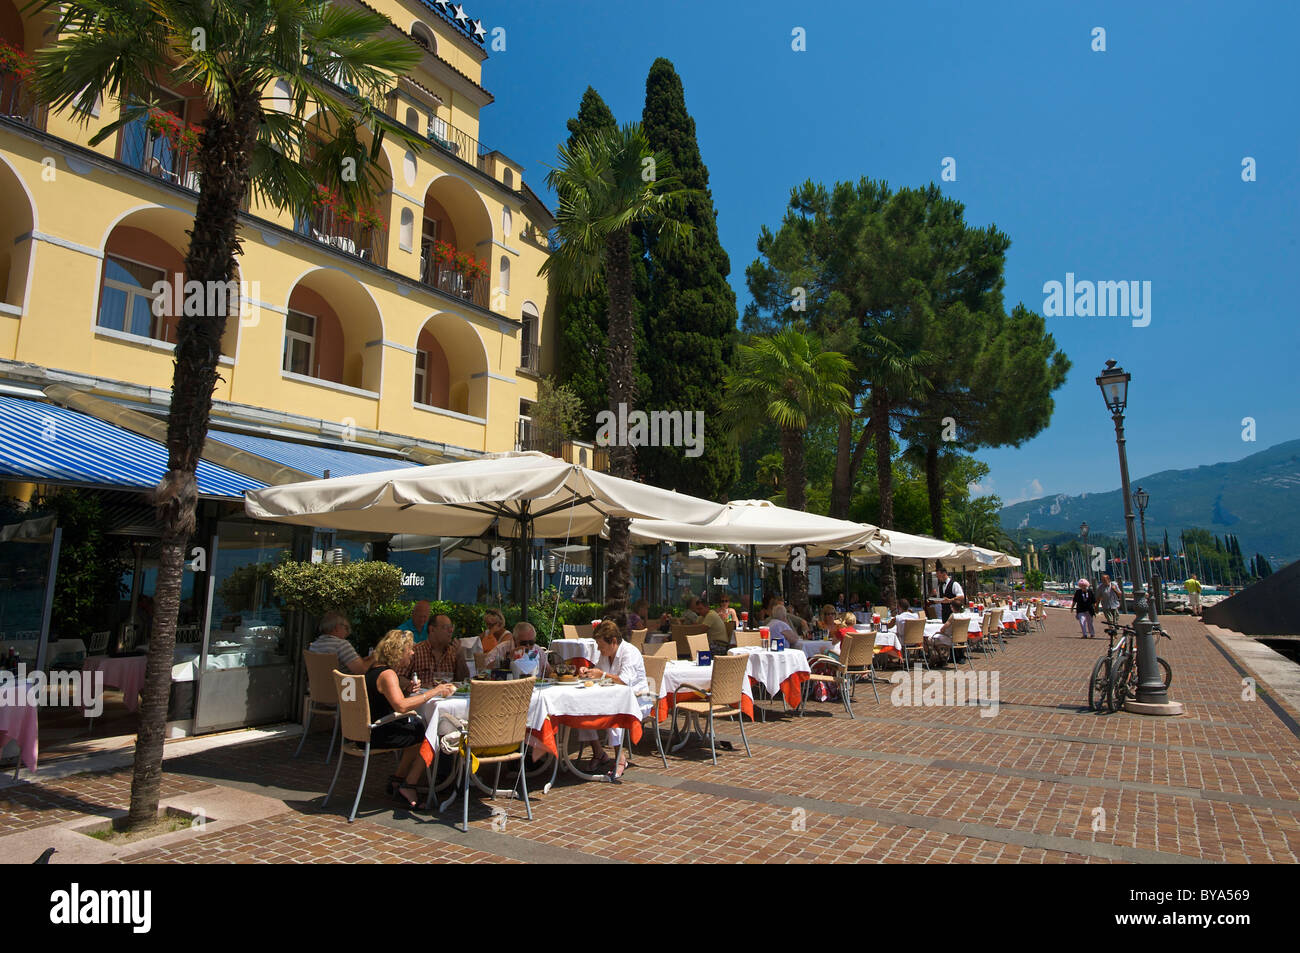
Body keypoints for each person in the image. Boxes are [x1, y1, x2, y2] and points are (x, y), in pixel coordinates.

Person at [364, 629, 456, 808]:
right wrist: (434, 692)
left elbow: (391, 700)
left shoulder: (374, 670)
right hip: (378, 733)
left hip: (365, 732)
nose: (412, 652)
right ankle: (409, 784)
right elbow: (401, 706)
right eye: (409, 649)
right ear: (399, 651)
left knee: (417, 729)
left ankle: (398, 779)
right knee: (429, 733)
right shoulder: (388, 675)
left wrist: (407, 691)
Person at [576, 621, 648, 781]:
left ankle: (620, 757)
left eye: (601, 645)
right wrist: (588, 671)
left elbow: (624, 680)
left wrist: (600, 674)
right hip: (613, 696)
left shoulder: (630, 652)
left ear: (613, 641)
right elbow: (600, 671)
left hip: (637, 698)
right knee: (581, 707)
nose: (599, 649)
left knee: (611, 710)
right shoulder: (606, 653)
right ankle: (598, 752)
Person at [400, 613, 468, 685]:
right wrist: (413, 685)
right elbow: (399, 677)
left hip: (448, 695)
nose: (450, 631)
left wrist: (460, 657)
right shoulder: (415, 651)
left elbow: (463, 681)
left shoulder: (454, 652)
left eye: (451, 627)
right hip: (423, 695)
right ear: (432, 629)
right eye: (446, 627)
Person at [308, 610, 371, 676]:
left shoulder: (314, 645)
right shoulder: (341, 645)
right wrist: (374, 658)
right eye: (346, 628)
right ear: (337, 628)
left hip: (318, 685)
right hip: (344, 685)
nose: (348, 632)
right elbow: (361, 670)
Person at [480, 621, 549, 675]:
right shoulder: (502, 648)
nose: (528, 646)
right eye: (523, 643)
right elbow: (485, 670)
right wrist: (507, 659)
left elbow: (548, 671)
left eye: (531, 642)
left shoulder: (537, 650)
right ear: (514, 639)